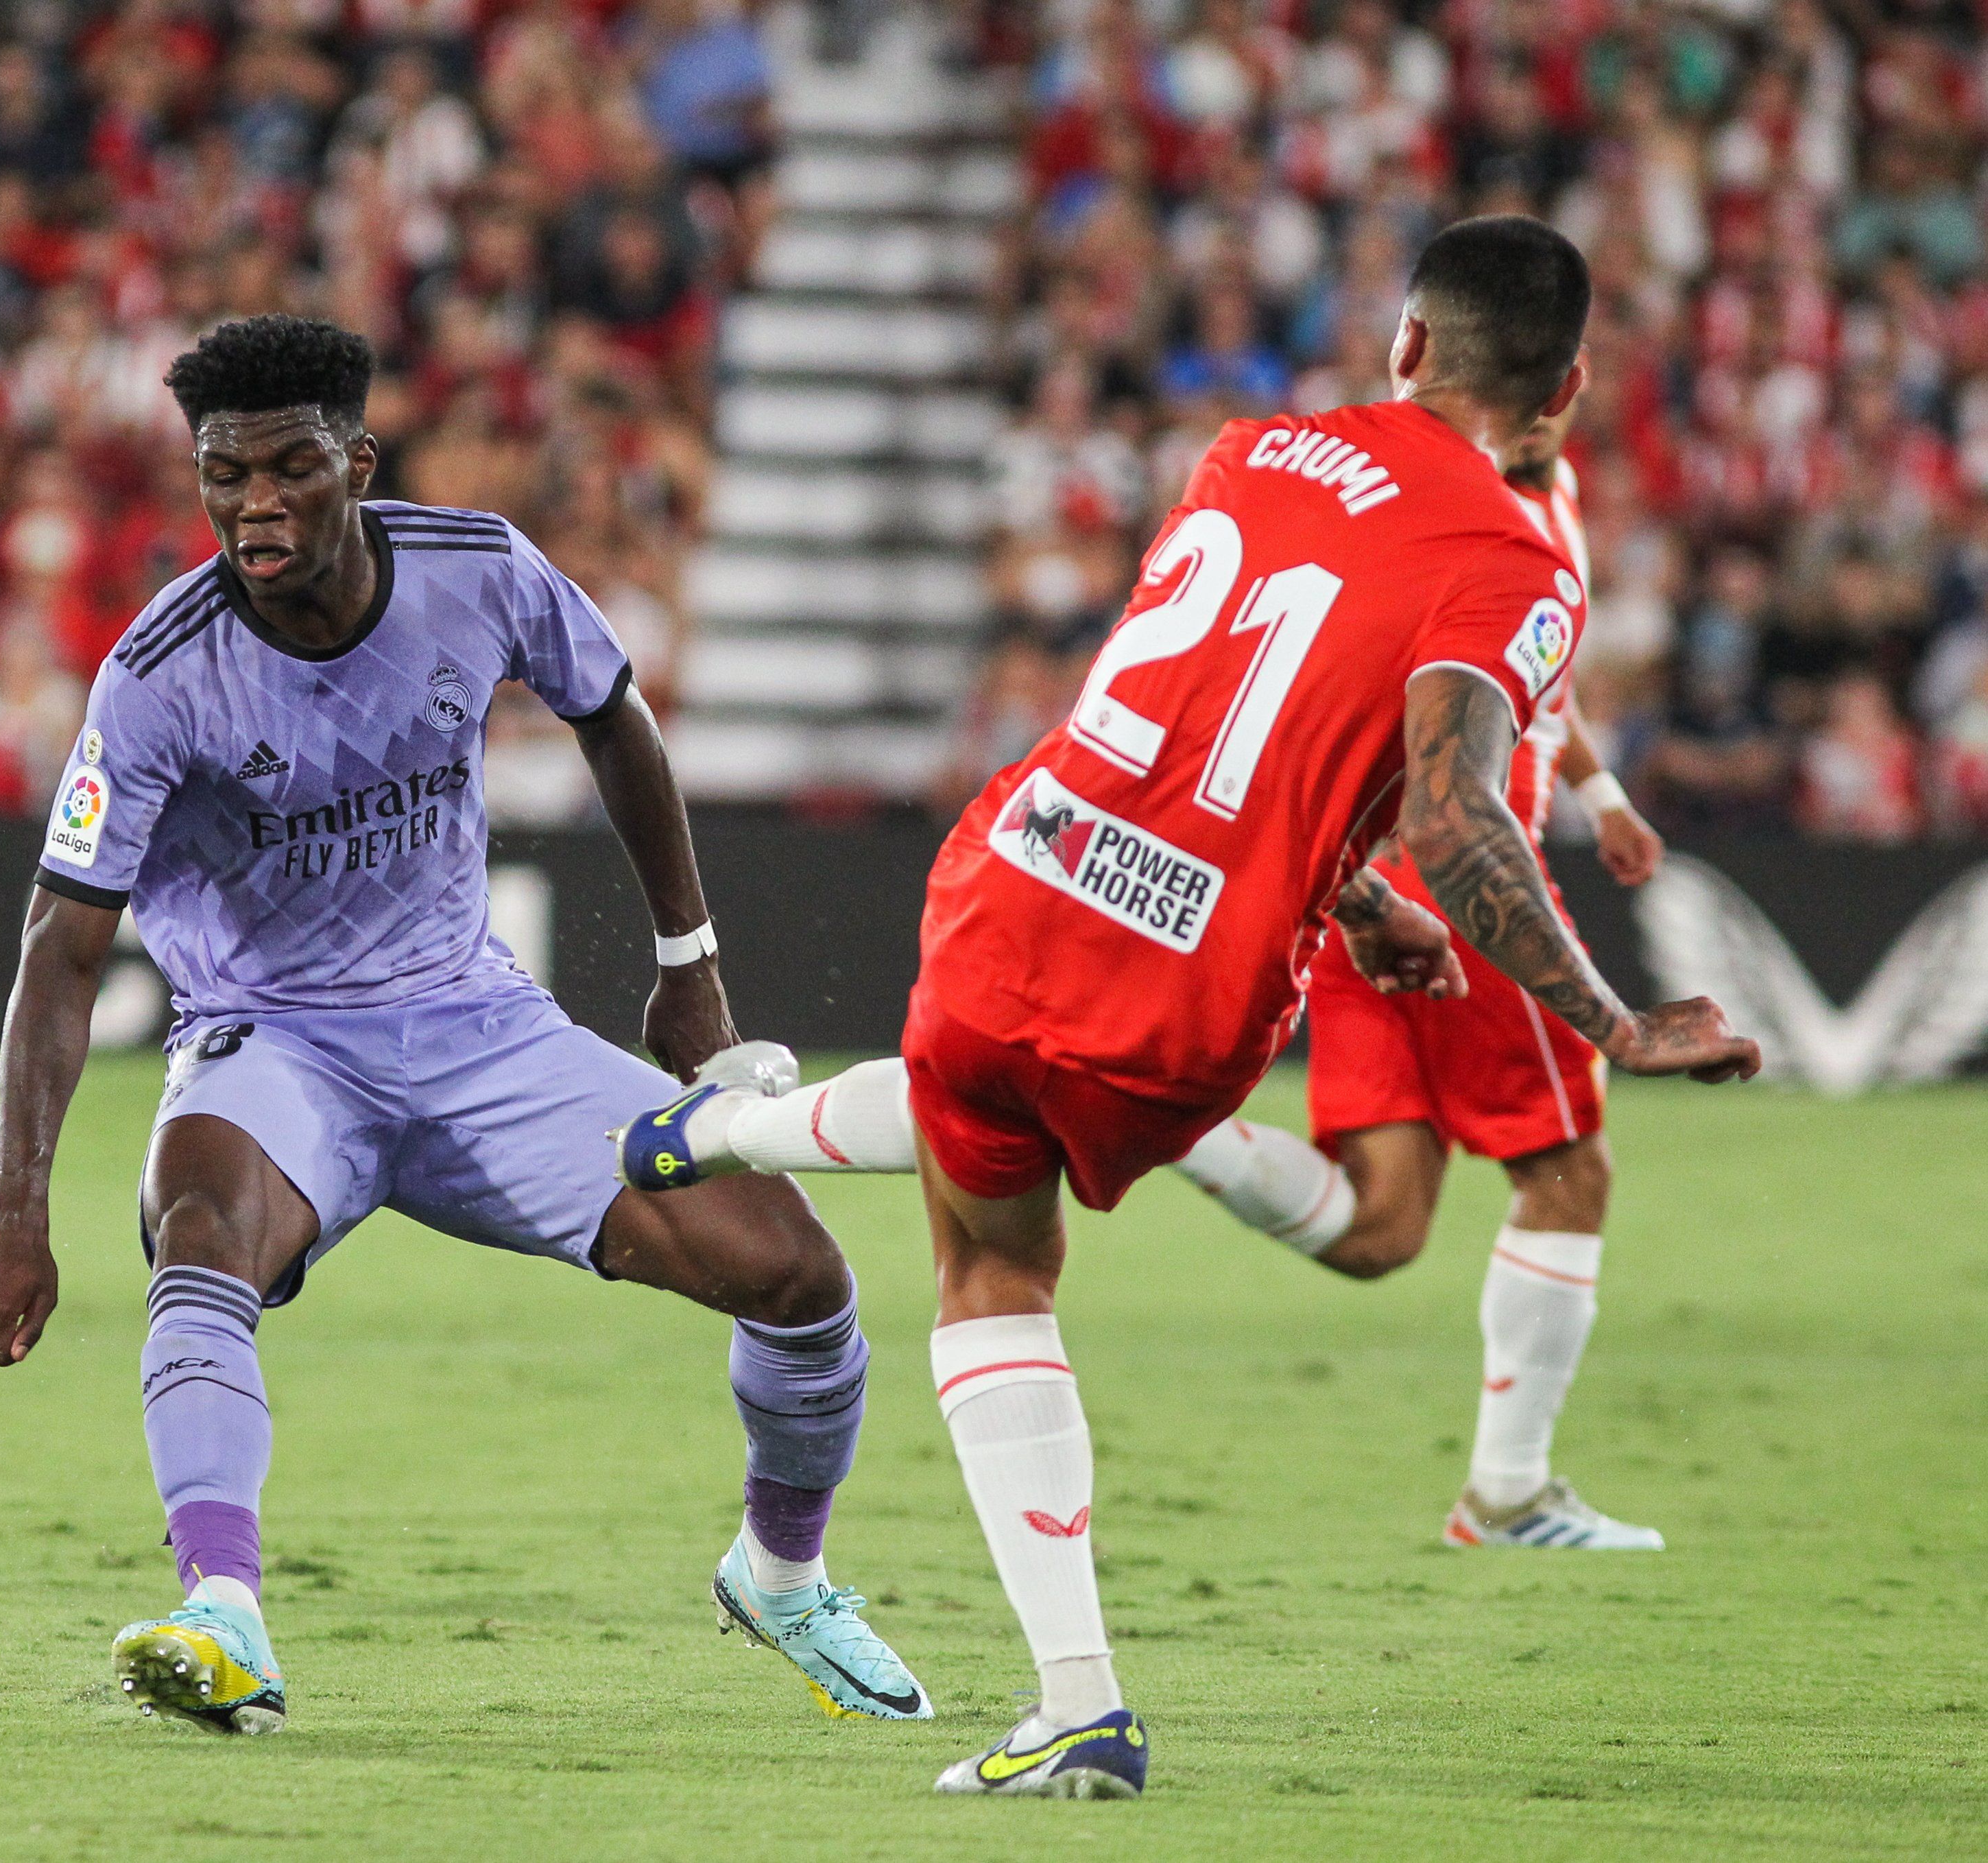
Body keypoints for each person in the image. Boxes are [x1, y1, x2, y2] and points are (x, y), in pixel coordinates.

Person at [618, 219, 1759, 1797]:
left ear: (1408, 345)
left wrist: (1351, 887)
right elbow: (1455, 810)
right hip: (1184, 984)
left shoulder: (1256, 446)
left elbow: (1221, 706)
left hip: (1025, 866)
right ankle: (729, 1137)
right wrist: (1609, 1016)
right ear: (1564, 390)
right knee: (1010, 1243)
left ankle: (724, 1130)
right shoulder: (1517, 561)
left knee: (981, 1216)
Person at [0, 314, 924, 1737]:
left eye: (289, 468)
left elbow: (615, 714)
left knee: (802, 1280)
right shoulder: (157, 674)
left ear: (358, 459)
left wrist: (687, 961)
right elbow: (63, 942)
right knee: (198, 1225)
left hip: (478, 1029)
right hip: (272, 1041)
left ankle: (780, 1572)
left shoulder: (477, 568)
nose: (255, 505)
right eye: (224, 476)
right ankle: (222, 1610)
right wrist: (15, 1209)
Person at [1155, 395, 1683, 1553]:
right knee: (1567, 1174)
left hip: (1367, 884)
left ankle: (1169, 1123)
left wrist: (1603, 796)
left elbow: (1536, 674)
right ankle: (1508, 1493)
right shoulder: (1470, 518)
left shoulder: (1528, 508)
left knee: (1380, 1227)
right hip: (1461, 891)